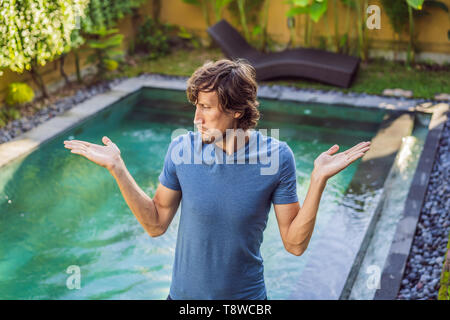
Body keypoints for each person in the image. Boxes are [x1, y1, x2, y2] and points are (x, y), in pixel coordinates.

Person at [63, 59, 370, 300]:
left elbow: (294, 245)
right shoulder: (181, 150)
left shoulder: (276, 157)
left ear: (237, 110)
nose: (196, 118)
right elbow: (155, 223)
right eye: (196, 106)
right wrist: (117, 167)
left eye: (206, 108)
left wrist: (317, 181)